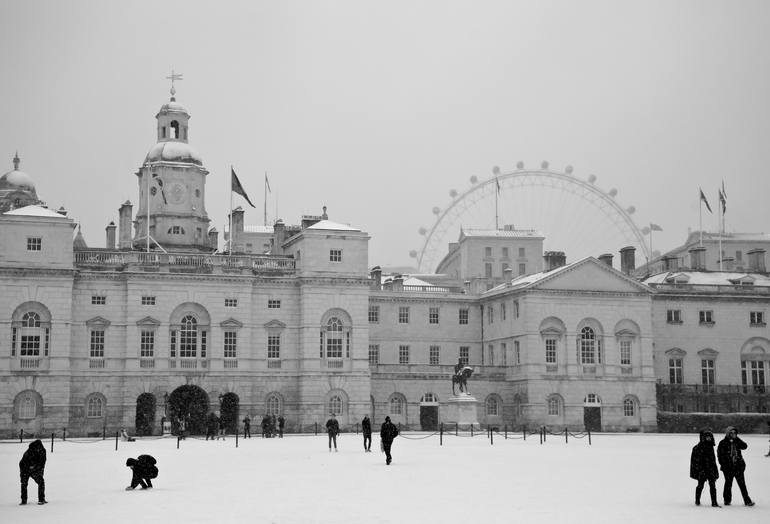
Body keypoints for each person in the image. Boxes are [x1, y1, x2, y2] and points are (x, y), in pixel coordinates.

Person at [716, 426, 755, 507]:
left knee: (742, 485)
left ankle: (747, 501)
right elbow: (720, 456)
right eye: (731, 433)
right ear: (728, 433)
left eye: (735, 433)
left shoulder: (737, 441)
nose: (733, 434)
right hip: (728, 468)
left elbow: (745, 446)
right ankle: (727, 500)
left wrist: (737, 439)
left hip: (738, 467)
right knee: (728, 484)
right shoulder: (722, 443)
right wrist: (725, 466)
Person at [690, 430, 720, 507]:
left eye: (710, 437)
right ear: (703, 438)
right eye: (707, 437)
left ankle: (714, 502)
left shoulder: (711, 447)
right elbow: (695, 461)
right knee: (700, 486)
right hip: (702, 470)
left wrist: (715, 472)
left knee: (713, 486)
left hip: (711, 470)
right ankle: (697, 500)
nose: (709, 439)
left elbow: (713, 461)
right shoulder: (697, 448)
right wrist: (699, 470)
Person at [19, 439, 46, 505]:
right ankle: (40, 500)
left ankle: (25, 501)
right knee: (40, 483)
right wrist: (32, 468)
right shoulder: (35, 451)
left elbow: (42, 463)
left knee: (25, 484)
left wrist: (40, 472)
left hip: (28, 468)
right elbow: (41, 463)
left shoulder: (35, 450)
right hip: (26, 468)